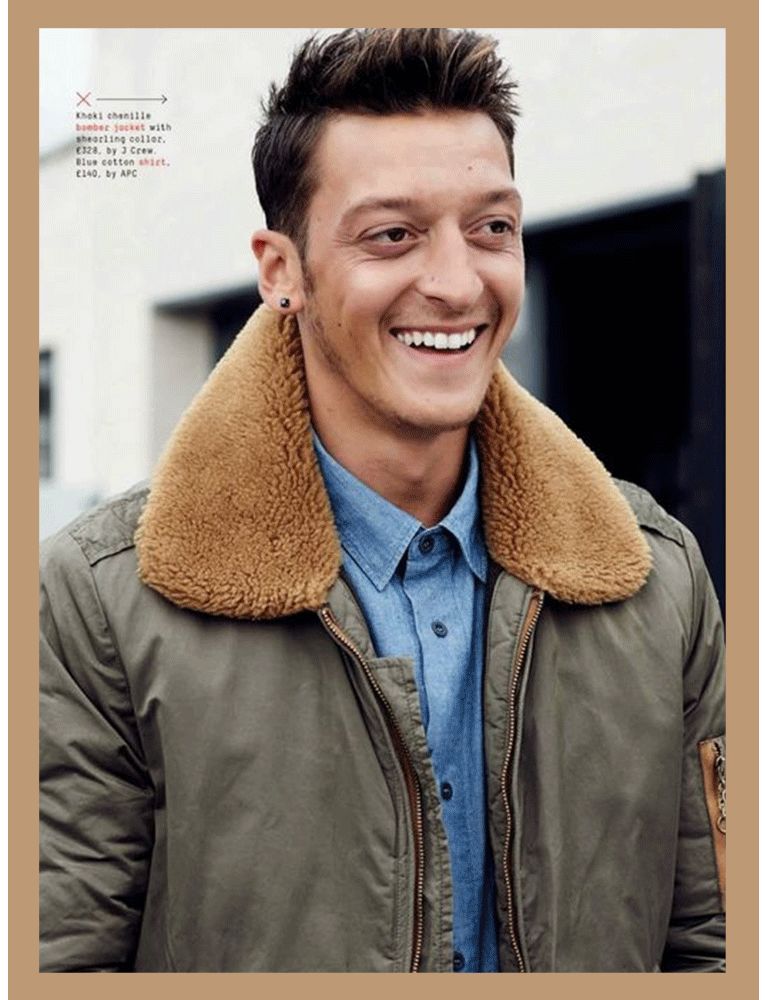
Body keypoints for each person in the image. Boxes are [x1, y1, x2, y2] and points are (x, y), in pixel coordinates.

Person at [39, 28, 725, 973]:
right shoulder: (101, 599)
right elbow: (60, 961)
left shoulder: (659, 579)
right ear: (281, 271)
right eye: (391, 235)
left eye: (491, 228)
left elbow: (714, 944)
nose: (456, 282)